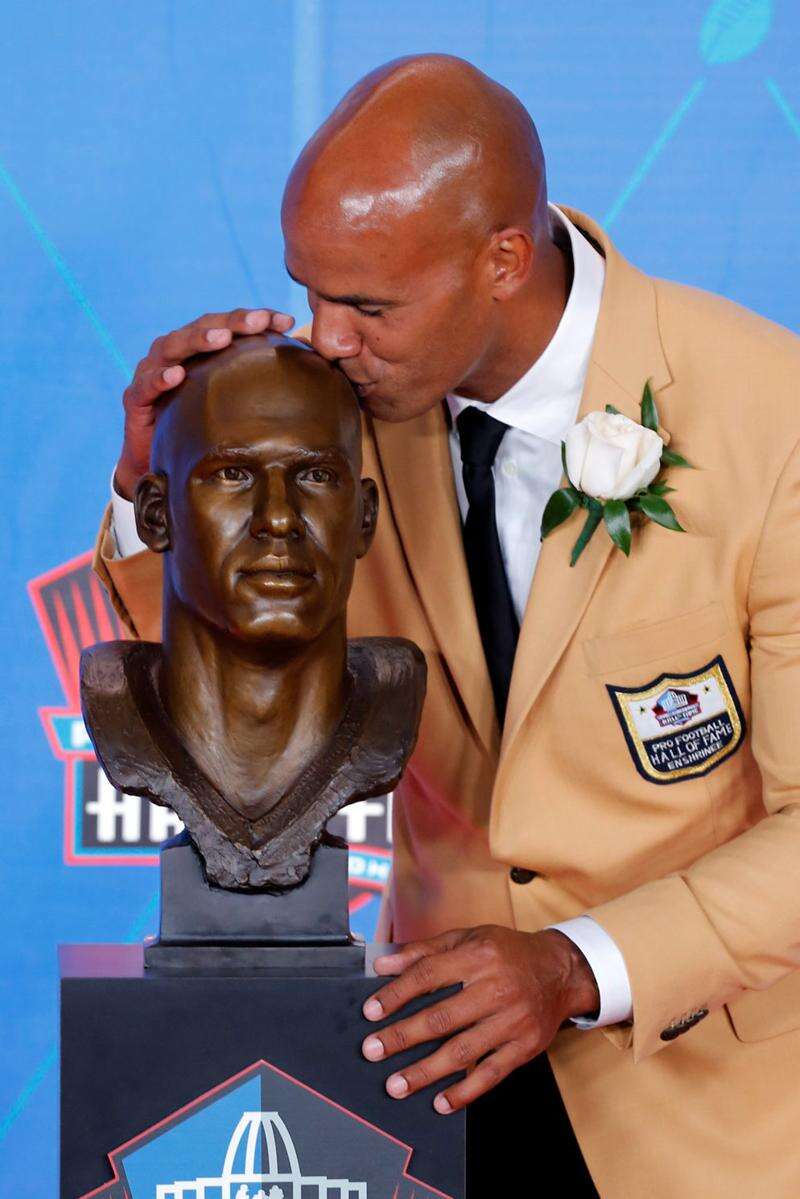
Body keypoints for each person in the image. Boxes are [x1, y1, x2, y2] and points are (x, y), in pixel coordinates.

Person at [94, 54, 800, 1198]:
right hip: (429, 1090)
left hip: (708, 1113)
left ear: (502, 260)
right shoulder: (332, 411)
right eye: (307, 291)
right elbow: (196, 675)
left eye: (366, 304)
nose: (323, 338)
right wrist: (143, 484)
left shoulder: (772, 416)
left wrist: (576, 963)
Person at [82, 333, 425, 890]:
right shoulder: (119, 696)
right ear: (155, 516)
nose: (279, 518)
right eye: (233, 475)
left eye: (315, 476)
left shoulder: (394, 692)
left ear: (364, 518)